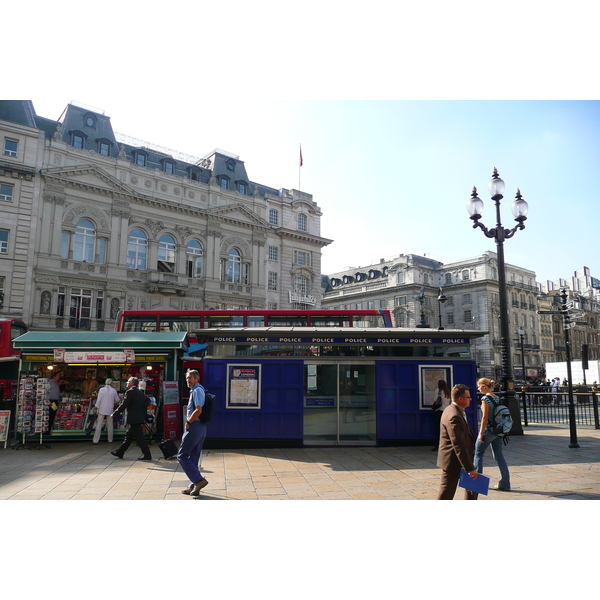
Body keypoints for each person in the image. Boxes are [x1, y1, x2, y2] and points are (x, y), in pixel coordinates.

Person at [436, 383, 479, 500]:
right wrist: (470, 468)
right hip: (453, 460)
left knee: (472, 490)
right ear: (460, 399)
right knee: (446, 493)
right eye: (468, 397)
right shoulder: (454, 416)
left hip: (459, 459)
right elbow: (459, 445)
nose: (470, 399)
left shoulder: (452, 409)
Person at [474, 377, 511, 491]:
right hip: (498, 431)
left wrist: (480, 433)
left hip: (488, 430)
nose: (478, 389)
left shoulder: (486, 399)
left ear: (484, 387)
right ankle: (505, 483)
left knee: (478, 454)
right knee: (499, 456)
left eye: (479, 387)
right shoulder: (497, 398)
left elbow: (485, 417)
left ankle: (477, 484)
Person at [179, 369, 209, 496]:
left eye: (190, 378)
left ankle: (199, 480)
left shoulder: (197, 390)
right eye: (187, 378)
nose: (188, 380)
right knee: (193, 457)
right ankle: (193, 485)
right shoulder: (197, 390)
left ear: (197, 378)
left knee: (182, 455)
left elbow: (198, 410)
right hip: (200, 427)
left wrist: (189, 422)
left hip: (195, 426)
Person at [110, 377, 152, 461]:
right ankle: (120, 452)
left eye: (128, 382)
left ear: (132, 383)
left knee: (140, 438)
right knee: (128, 437)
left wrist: (114, 413)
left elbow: (124, 405)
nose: (126, 383)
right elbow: (144, 407)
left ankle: (147, 454)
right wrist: (144, 417)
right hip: (138, 418)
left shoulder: (130, 392)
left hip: (133, 419)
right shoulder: (140, 393)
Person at [93, 378, 120, 444]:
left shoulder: (101, 390)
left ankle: (95, 440)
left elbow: (99, 400)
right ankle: (110, 439)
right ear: (111, 383)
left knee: (99, 424)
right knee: (110, 425)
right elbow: (117, 400)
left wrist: (96, 407)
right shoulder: (113, 390)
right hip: (110, 409)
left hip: (102, 409)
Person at [431, 379, 452, 451]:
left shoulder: (438, 391)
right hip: (447, 412)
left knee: (438, 429)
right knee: (446, 429)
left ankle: (437, 446)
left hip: (439, 411)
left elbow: (435, 400)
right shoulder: (448, 392)